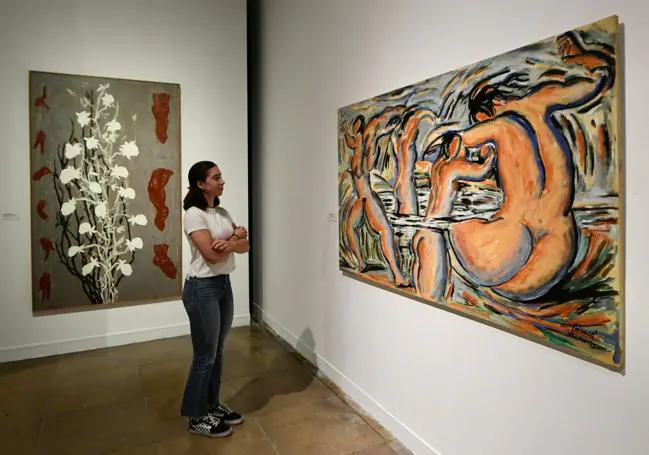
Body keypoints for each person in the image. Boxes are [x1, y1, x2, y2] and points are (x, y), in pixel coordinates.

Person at [420, 29, 615, 302]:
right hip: (556, 250)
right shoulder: (542, 100)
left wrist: (454, 158)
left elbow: (454, 142)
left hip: (509, 248)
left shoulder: (500, 127)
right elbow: (600, 78)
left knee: (452, 227)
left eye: (482, 121)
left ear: (493, 105)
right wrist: (582, 56)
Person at [180, 160, 249, 438]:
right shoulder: (194, 215)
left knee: (217, 351)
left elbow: (245, 246)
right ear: (201, 184)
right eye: (216, 178)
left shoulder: (220, 211)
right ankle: (196, 416)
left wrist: (232, 240)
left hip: (223, 285)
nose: (222, 182)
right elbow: (210, 254)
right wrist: (236, 237)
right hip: (202, 289)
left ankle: (211, 404)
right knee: (204, 356)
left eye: (221, 177)